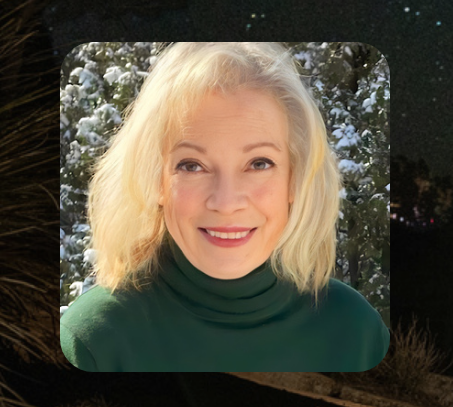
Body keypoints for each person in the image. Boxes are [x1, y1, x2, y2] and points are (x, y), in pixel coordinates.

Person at [58, 42, 388, 372]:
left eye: (259, 164)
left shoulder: (356, 332)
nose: (226, 203)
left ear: (295, 179)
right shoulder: (93, 342)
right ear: (154, 180)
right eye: (192, 165)